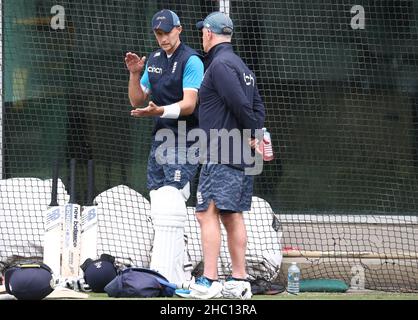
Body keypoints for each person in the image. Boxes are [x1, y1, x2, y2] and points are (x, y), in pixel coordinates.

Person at [188, 12, 266, 299]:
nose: (201, 37)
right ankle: (239, 281)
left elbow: (239, 103)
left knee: (206, 213)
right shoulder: (241, 65)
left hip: (220, 151)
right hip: (239, 152)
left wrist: (253, 132)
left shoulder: (219, 65)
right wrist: (255, 135)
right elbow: (257, 107)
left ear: (209, 33)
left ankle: (209, 281)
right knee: (231, 215)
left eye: (202, 33)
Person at [125, 9, 204, 287]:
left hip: (186, 139)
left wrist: (161, 110)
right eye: (158, 34)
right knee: (158, 199)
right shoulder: (155, 59)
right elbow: (137, 100)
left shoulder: (192, 60)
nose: (163, 38)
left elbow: (190, 103)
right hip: (161, 140)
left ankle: (174, 275)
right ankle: (167, 271)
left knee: (173, 197)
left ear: (179, 30)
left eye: (167, 32)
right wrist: (135, 75)